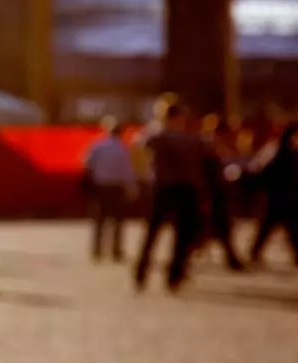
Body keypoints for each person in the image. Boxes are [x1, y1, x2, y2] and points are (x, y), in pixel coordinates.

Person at [132, 102, 208, 293]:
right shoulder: (192, 138)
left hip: (162, 188)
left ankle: (141, 271)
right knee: (181, 236)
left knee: (152, 233)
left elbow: (138, 144)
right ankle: (175, 275)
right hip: (186, 189)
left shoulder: (157, 135)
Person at [248, 124, 298, 269]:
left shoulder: (291, 152)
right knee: (269, 227)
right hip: (278, 197)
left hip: (286, 198)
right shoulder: (279, 152)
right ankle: (255, 253)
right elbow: (265, 173)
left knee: (291, 229)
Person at [82, 117, 136, 262]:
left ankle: (97, 250)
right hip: (117, 188)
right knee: (118, 222)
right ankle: (116, 251)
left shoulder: (97, 146)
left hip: (101, 187)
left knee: (100, 221)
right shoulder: (123, 149)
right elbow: (127, 172)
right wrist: (131, 189)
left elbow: (87, 164)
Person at [196, 115, 246, 271]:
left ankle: (232, 260)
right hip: (211, 194)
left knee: (218, 229)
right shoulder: (208, 147)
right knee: (216, 228)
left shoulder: (215, 146)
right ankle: (232, 260)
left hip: (216, 194)